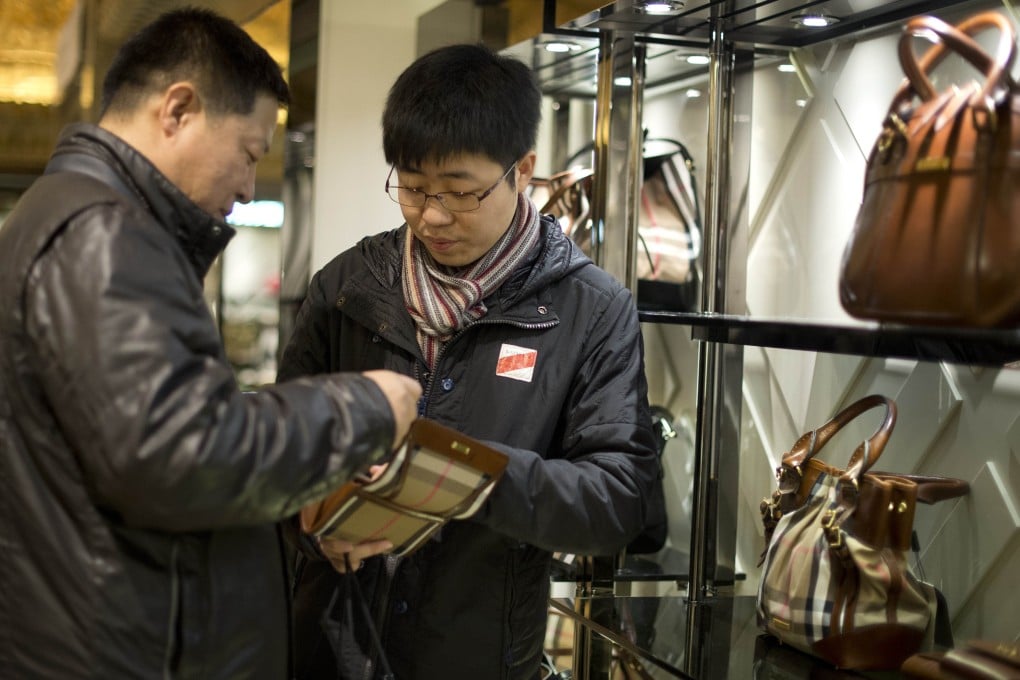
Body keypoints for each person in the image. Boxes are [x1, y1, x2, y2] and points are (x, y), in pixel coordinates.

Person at [0, 8, 420, 680]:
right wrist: (363, 407)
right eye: (249, 152)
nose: (249, 185)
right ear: (179, 110)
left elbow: (137, 441)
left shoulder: (70, 217)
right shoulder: (107, 237)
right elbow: (179, 450)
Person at [279, 43, 663, 680]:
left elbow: (619, 501)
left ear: (524, 170)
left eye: (460, 192)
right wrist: (312, 519)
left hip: (479, 655)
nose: (431, 215)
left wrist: (464, 476)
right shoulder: (348, 287)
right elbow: (282, 445)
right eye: (412, 187)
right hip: (330, 639)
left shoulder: (592, 310)